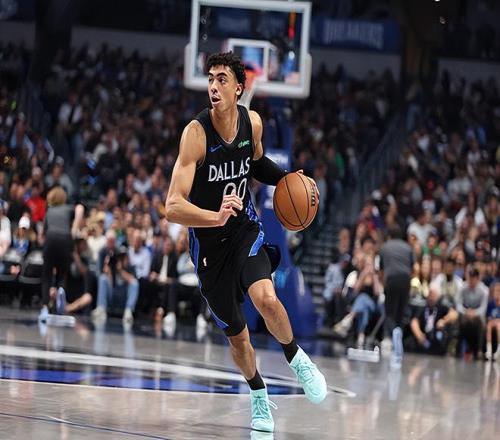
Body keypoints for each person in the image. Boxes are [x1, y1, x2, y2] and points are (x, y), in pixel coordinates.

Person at [165, 52, 327, 433]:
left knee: (266, 299)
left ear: (239, 88)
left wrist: (288, 179)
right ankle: (258, 393)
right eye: (210, 78)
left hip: (244, 231)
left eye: (222, 79)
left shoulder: (251, 123)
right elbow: (172, 206)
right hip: (209, 251)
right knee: (239, 340)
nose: (213, 86)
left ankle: (298, 359)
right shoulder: (196, 135)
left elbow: (255, 163)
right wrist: (214, 216)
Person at [39, 187, 84, 320]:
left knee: (47, 275)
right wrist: (74, 227)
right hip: (65, 239)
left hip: (51, 239)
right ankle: (60, 296)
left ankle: (45, 306)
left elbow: (42, 234)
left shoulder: (49, 211)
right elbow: (80, 208)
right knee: (62, 274)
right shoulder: (68, 209)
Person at [378, 225, 414, 368]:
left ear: (390, 235)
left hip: (391, 279)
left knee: (389, 311)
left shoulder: (384, 247)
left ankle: (390, 335)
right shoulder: (408, 248)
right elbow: (412, 267)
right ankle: (398, 332)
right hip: (405, 280)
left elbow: (381, 270)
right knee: (400, 311)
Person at [408, 282, 458, 355]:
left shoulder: (441, 307)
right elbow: (414, 321)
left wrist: (444, 321)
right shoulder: (423, 306)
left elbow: (454, 314)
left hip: (437, 341)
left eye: (434, 295)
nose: (431, 298)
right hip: (423, 339)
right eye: (430, 294)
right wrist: (419, 335)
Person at [456, 267, 489, 359]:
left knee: (481, 322)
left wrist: (474, 313)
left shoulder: (484, 290)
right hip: (465, 313)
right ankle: (459, 349)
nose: (471, 281)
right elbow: (458, 304)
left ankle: (479, 350)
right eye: (469, 278)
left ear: (478, 279)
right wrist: (465, 312)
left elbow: (483, 308)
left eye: (473, 278)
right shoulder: (463, 287)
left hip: (477, 315)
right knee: (460, 320)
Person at [485, 281, 500, 361]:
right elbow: (488, 316)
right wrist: (492, 320)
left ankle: (499, 350)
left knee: (498, 326)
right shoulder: (491, 303)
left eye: (499, 291)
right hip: (492, 322)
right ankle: (489, 350)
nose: (497, 293)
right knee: (489, 325)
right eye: (495, 291)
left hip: (498, 323)